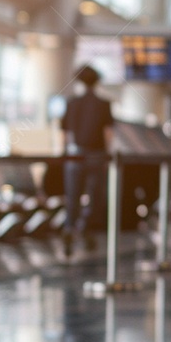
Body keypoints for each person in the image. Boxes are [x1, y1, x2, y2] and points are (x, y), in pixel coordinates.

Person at [60, 64, 115, 257]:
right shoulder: (103, 104)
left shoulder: (71, 103)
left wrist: (64, 153)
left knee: (72, 195)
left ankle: (69, 228)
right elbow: (108, 134)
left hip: (75, 154)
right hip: (96, 155)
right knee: (94, 196)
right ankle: (86, 227)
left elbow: (65, 132)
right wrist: (108, 154)